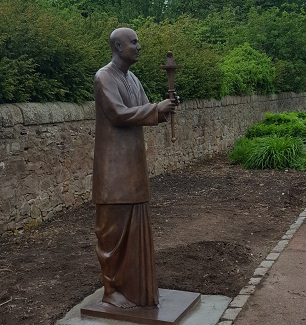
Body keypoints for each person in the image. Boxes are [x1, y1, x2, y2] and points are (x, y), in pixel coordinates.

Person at [92, 27, 176, 309]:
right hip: (113, 173)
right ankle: (112, 291)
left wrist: (164, 110)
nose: (139, 46)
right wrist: (154, 109)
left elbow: (143, 111)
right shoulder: (104, 77)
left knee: (135, 231)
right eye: (134, 42)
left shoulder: (133, 79)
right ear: (118, 46)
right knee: (112, 236)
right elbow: (117, 114)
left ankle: (136, 289)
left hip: (134, 168)